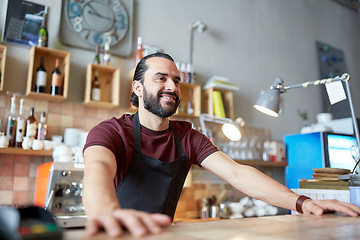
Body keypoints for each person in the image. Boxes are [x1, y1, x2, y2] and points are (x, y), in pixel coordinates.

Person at [83, 52, 360, 237]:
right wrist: (107, 214)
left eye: (176, 81)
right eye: (161, 78)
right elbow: (97, 171)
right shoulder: (111, 132)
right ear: (137, 88)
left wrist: (302, 203)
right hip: (114, 234)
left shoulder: (188, 137)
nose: (172, 86)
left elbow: (238, 174)